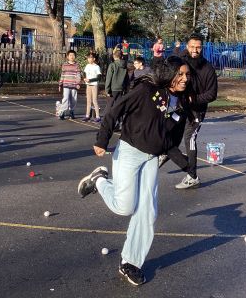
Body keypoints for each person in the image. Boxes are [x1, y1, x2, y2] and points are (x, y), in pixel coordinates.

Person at [77, 56, 191, 286]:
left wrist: (186, 164)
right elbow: (115, 110)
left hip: (151, 158)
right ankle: (99, 180)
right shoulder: (146, 90)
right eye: (180, 74)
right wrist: (102, 139)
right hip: (129, 151)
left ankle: (130, 262)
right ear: (169, 73)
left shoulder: (181, 101)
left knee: (148, 211)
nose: (185, 79)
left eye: (187, 75)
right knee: (125, 206)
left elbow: (171, 139)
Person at [167, 33, 218, 189]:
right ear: (187, 46)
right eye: (192, 46)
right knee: (168, 130)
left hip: (196, 111)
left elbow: (212, 94)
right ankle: (166, 153)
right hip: (180, 106)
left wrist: (194, 99)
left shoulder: (208, 69)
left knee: (189, 139)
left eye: (198, 47)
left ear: (202, 48)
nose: (195, 50)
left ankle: (192, 176)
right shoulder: (182, 60)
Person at [104, 49, 128, 123]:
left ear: (114, 56)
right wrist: (126, 89)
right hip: (121, 88)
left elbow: (109, 78)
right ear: (121, 56)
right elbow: (127, 79)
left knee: (109, 105)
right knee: (119, 105)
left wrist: (107, 90)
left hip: (113, 88)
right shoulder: (125, 66)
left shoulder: (112, 65)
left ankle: (106, 121)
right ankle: (120, 121)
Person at [58, 49, 82, 120]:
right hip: (66, 85)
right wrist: (60, 84)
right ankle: (62, 112)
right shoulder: (64, 65)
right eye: (70, 55)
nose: (72, 56)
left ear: (75, 56)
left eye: (73, 55)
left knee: (74, 99)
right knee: (65, 98)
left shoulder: (77, 65)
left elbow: (78, 75)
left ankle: (71, 111)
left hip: (74, 85)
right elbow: (62, 75)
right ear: (67, 57)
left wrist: (78, 83)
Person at [82, 52, 102, 122]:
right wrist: (84, 78)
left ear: (94, 59)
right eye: (88, 58)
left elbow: (99, 78)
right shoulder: (87, 66)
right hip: (88, 85)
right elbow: (84, 73)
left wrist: (90, 80)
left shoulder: (97, 67)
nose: (89, 59)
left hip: (94, 85)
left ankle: (98, 116)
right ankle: (87, 116)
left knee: (94, 101)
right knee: (88, 101)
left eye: (91, 58)